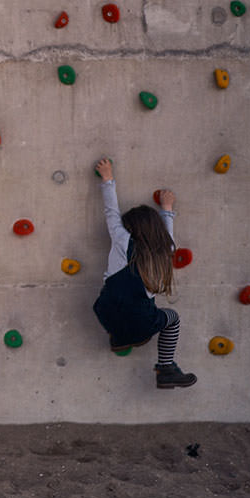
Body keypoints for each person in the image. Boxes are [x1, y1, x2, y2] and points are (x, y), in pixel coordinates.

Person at [91, 158, 197, 389]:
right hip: (142, 323)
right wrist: (167, 208)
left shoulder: (122, 240)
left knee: (117, 301)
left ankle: (118, 336)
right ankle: (166, 368)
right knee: (172, 318)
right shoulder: (164, 250)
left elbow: (111, 211)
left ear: (130, 228)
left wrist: (108, 176)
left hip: (105, 313)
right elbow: (166, 235)